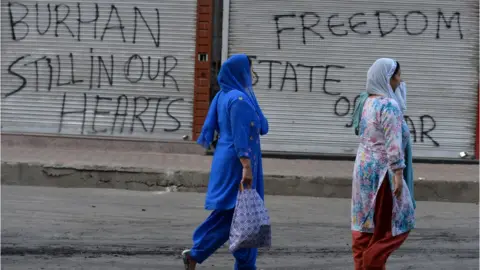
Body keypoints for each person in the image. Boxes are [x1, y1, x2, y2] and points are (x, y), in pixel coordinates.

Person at [182, 54, 268, 270]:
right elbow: (241, 136)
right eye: (249, 71)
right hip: (238, 163)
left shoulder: (224, 95)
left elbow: (263, 127)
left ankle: (241, 263)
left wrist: (251, 95)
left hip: (229, 158)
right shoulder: (238, 100)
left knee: (240, 214)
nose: (251, 75)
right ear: (240, 72)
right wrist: (246, 167)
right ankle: (196, 253)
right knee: (236, 215)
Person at [350, 58, 415, 270]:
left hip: (363, 168)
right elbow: (393, 144)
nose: (400, 80)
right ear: (387, 77)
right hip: (382, 174)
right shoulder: (389, 106)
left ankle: (364, 264)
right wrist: (397, 175)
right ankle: (371, 263)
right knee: (398, 223)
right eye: (397, 75)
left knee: (366, 225)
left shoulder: (367, 101)